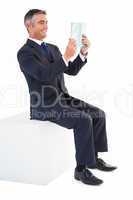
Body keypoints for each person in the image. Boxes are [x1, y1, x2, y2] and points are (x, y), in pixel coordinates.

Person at [17, 9, 117, 186]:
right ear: (28, 25)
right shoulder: (24, 53)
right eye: (41, 22)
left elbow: (71, 70)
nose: (46, 26)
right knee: (83, 120)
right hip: (44, 105)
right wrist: (65, 56)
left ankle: (94, 158)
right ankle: (81, 170)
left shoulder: (53, 48)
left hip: (62, 98)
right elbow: (43, 74)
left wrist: (82, 53)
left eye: (46, 22)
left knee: (98, 114)